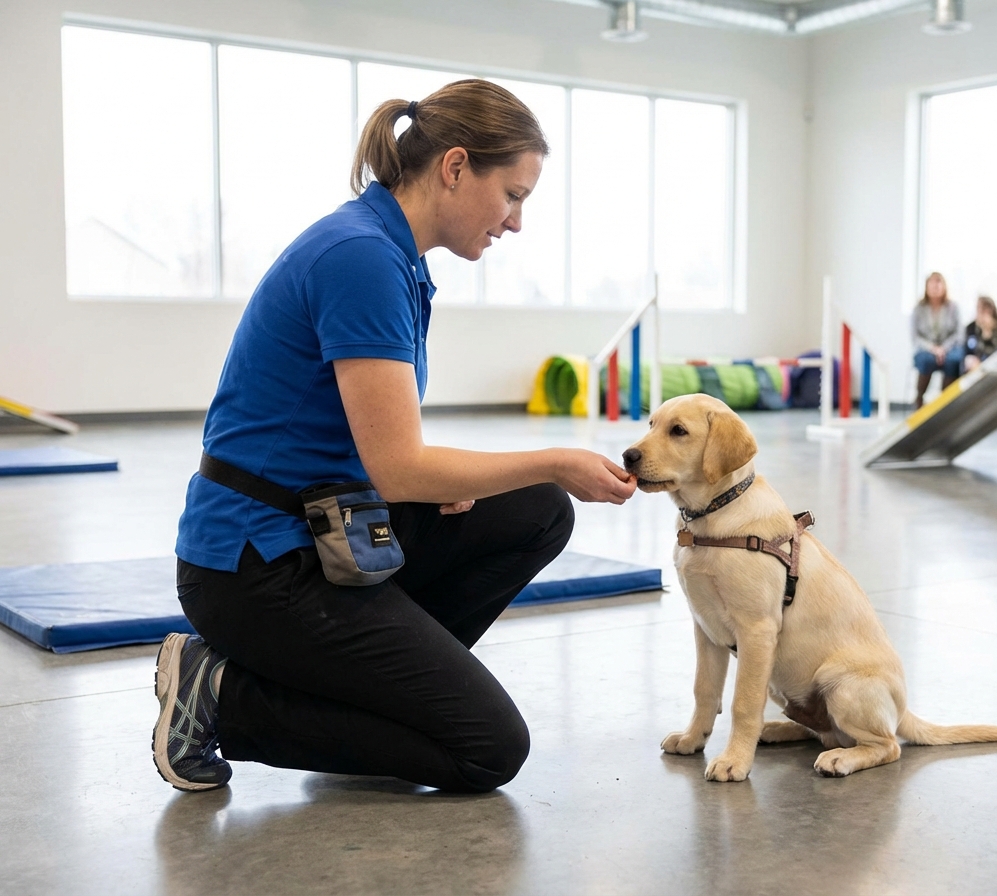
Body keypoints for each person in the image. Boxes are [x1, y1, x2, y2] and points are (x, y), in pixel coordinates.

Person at [153, 81, 638, 794]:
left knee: (535, 510)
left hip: (325, 525)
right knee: (488, 750)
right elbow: (400, 467)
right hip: (258, 567)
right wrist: (557, 459)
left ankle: (375, 695)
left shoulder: (397, 258)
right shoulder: (361, 257)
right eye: (512, 195)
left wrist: (470, 482)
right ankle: (224, 697)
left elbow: (374, 442)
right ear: (455, 167)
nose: (515, 222)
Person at [911, 272, 964, 409]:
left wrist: (943, 349)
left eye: (938, 282)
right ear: (926, 286)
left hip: (949, 348)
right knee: (926, 360)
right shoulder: (919, 309)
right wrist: (932, 349)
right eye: (932, 282)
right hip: (926, 349)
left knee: (953, 361)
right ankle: (919, 400)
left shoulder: (953, 307)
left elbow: (958, 334)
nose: (935, 286)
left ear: (944, 286)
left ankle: (944, 403)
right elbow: (916, 337)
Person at [963, 295, 997, 372]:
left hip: (995, 362)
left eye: (983, 310)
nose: (979, 313)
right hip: (976, 362)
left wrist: (987, 333)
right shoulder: (971, 327)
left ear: (990, 310)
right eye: (978, 309)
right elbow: (968, 348)